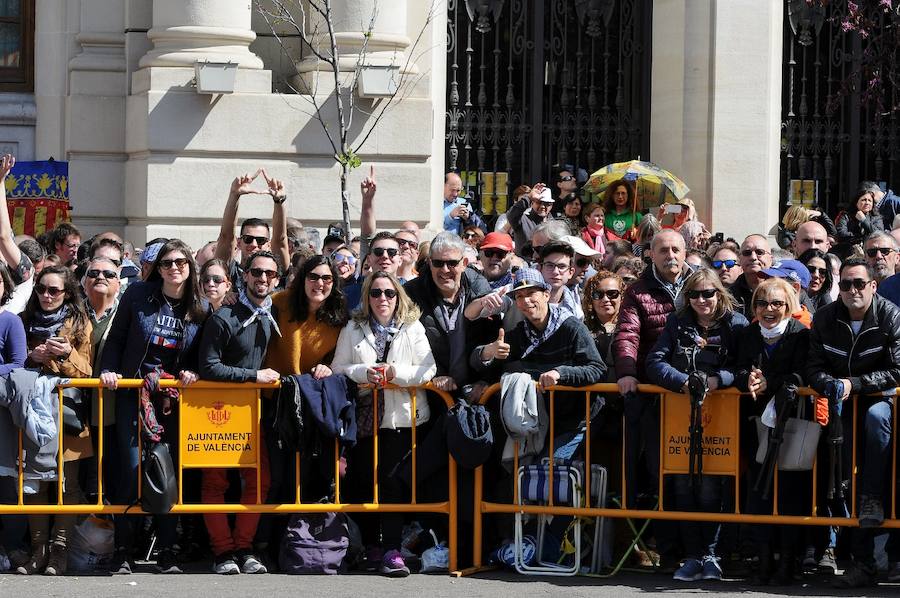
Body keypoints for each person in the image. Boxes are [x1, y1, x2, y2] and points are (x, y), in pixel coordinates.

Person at [100, 239, 208, 575]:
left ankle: (166, 550)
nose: (174, 268)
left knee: (166, 474)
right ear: (157, 268)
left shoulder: (200, 307)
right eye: (166, 263)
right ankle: (123, 550)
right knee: (130, 470)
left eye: (180, 262)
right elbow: (116, 338)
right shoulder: (137, 297)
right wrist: (109, 369)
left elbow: (205, 353)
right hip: (133, 394)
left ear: (190, 266)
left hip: (171, 402)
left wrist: (196, 371)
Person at [646, 269, 748, 582]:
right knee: (682, 486)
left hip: (723, 420)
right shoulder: (677, 323)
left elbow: (746, 368)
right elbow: (654, 362)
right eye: (695, 294)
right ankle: (691, 556)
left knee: (711, 488)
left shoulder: (737, 325)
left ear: (720, 294)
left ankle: (712, 555)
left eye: (708, 293)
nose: (702, 300)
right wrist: (681, 382)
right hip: (681, 417)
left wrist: (720, 380)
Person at [331, 271, 436, 578]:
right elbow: (339, 367)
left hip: (401, 419)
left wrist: (393, 373)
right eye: (375, 293)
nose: (382, 299)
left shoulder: (412, 326)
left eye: (389, 293)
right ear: (367, 296)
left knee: (391, 483)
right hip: (363, 417)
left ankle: (391, 548)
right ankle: (370, 547)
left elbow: (427, 370)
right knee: (362, 479)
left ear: (398, 296)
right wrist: (366, 372)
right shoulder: (353, 327)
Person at [806, 257, 900, 588]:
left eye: (859, 283)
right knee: (839, 481)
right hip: (837, 407)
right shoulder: (825, 317)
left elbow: (898, 369)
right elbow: (812, 366)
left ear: (873, 286)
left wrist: (853, 384)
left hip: (879, 402)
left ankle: (872, 502)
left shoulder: (890, 315)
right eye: (845, 284)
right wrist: (829, 384)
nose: (852, 290)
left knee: (875, 422)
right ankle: (847, 558)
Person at [198, 250, 282, 575]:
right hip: (216, 411)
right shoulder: (224, 317)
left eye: (270, 274)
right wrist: (253, 376)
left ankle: (244, 548)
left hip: (252, 411)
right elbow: (209, 366)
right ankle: (222, 552)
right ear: (245, 275)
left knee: (259, 482)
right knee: (215, 483)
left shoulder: (270, 313)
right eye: (257, 272)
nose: (263, 279)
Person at [614, 229, 692, 568]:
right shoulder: (637, 292)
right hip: (655, 393)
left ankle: (699, 549)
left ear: (686, 252)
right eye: (663, 249)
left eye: (676, 249)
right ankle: (667, 550)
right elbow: (627, 334)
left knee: (696, 476)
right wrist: (627, 371)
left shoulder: (701, 284)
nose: (670, 255)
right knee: (661, 473)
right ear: (651, 254)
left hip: (697, 397)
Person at [259, 255, 347, 553]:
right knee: (278, 476)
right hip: (274, 402)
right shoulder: (279, 302)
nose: (319, 283)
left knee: (307, 475)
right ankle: (267, 544)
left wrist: (328, 366)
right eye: (313, 276)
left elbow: (342, 358)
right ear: (302, 279)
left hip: (309, 405)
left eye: (326, 278)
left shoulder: (338, 318)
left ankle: (300, 544)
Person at [733, 277, 811, 585]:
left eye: (777, 303)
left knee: (791, 489)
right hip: (755, 423)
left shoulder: (801, 335)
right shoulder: (747, 334)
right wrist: (746, 378)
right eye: (762, 303)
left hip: (791, 423)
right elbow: (735, 366)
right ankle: (763, 558)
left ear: (789, 306)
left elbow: (805, 372)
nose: (769, 309)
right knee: (759, 489)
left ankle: (788, 560)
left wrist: (773, 382)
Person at [18, 265, 93, 575]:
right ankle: (39, 550)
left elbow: (88, 371)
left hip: (68, 413)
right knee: (36, 482)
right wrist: (29, 357)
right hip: (32, 412)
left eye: (54, 290)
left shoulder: (79, 323)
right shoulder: (22, 321)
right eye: (41, 290)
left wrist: (65, 355)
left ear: (67, 293)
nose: (46, 296)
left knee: (68, 484)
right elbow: (11, 362)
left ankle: (59, 551)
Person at [473, 266, 605, 394]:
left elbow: (597, 369)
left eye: (531, 293)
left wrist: (559, 373)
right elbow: (476, 362)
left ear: (546, 295)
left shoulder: (571, 327)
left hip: (580, 412)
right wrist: (489, 351)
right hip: (542, 411)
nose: (525, 300)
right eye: (519, 296)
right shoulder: (522, 333)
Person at [403, 231, 492, 394]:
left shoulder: (480, 290)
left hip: (474, 392)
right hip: (429, 391)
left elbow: (491, 337)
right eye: (438, 263)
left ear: (464, 263)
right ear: (429, 263)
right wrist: (435, 375)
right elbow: (404, 344)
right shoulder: (411, 293)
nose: (444, 270)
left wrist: (485, 380)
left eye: (452, 263)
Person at [215, 170, 288, 295]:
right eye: (248, 239)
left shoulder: (275, 271)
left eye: (261, 241)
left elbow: (280, 241)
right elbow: (226, 237)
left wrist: (278, 201)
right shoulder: (230, 271)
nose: (254, 244)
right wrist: (234, 195)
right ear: (239, 242)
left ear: (269, 245)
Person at [343, 232, 403, 311]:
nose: (385, 256)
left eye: (392, 252)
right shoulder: (348, 294)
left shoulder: (411, 292)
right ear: (369, 260)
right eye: (378, 252)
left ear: (400, 260)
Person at [582, 270, 624, 380]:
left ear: (622, 296)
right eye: (598, 294)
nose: (605, 299)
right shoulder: (582, 329)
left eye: (612, 294)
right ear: (591, 299)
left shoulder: (631, 328)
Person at [731, 234, 774, 318]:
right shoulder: (729, 295)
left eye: (760, 252)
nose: (753, 257)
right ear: (740, 259)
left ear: (771, 259)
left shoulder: (785, 290)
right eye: (747, 253)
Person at [538, 241, 583, 318]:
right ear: (540, 269)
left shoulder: (577, 313)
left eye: (562, 266)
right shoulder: (525, 303)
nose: (555, 272)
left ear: (570, 273)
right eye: (550, 265)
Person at [508, 183, 554, 257]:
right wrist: (529, 197)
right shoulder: (523, 220)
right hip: (525, 265)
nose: (542, 206)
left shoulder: (555, 224)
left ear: (551, 205)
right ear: (532, 203)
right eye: (538, 202)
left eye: (547, 204)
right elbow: (512, 215)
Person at [835, 189, 885, 257]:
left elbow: (878, 234)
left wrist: (863, 220)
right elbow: (841, 233)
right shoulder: (846, 215)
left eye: (869, 200)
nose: (867, 203)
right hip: (848, 251)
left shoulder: (876, 217)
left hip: (870, 252)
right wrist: (859, 236)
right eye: (863, 200)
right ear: (856, 202)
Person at [797, 249, 833, 314]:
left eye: (822, 272)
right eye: (811, 269)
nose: (816, 275)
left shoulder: (825, 299)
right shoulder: (789, 297)